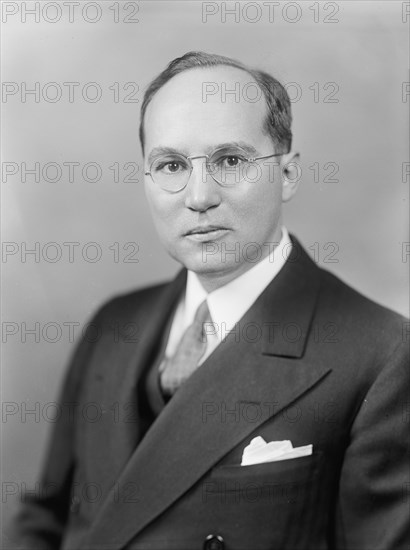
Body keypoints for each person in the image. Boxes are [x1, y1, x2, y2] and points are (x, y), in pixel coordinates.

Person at [12, 51, 409, 550]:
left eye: (230, 160)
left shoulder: (382, 351)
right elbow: (45, 519)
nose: (199, 195)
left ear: (287, 175)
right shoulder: (114, 324)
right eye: (172, 165)